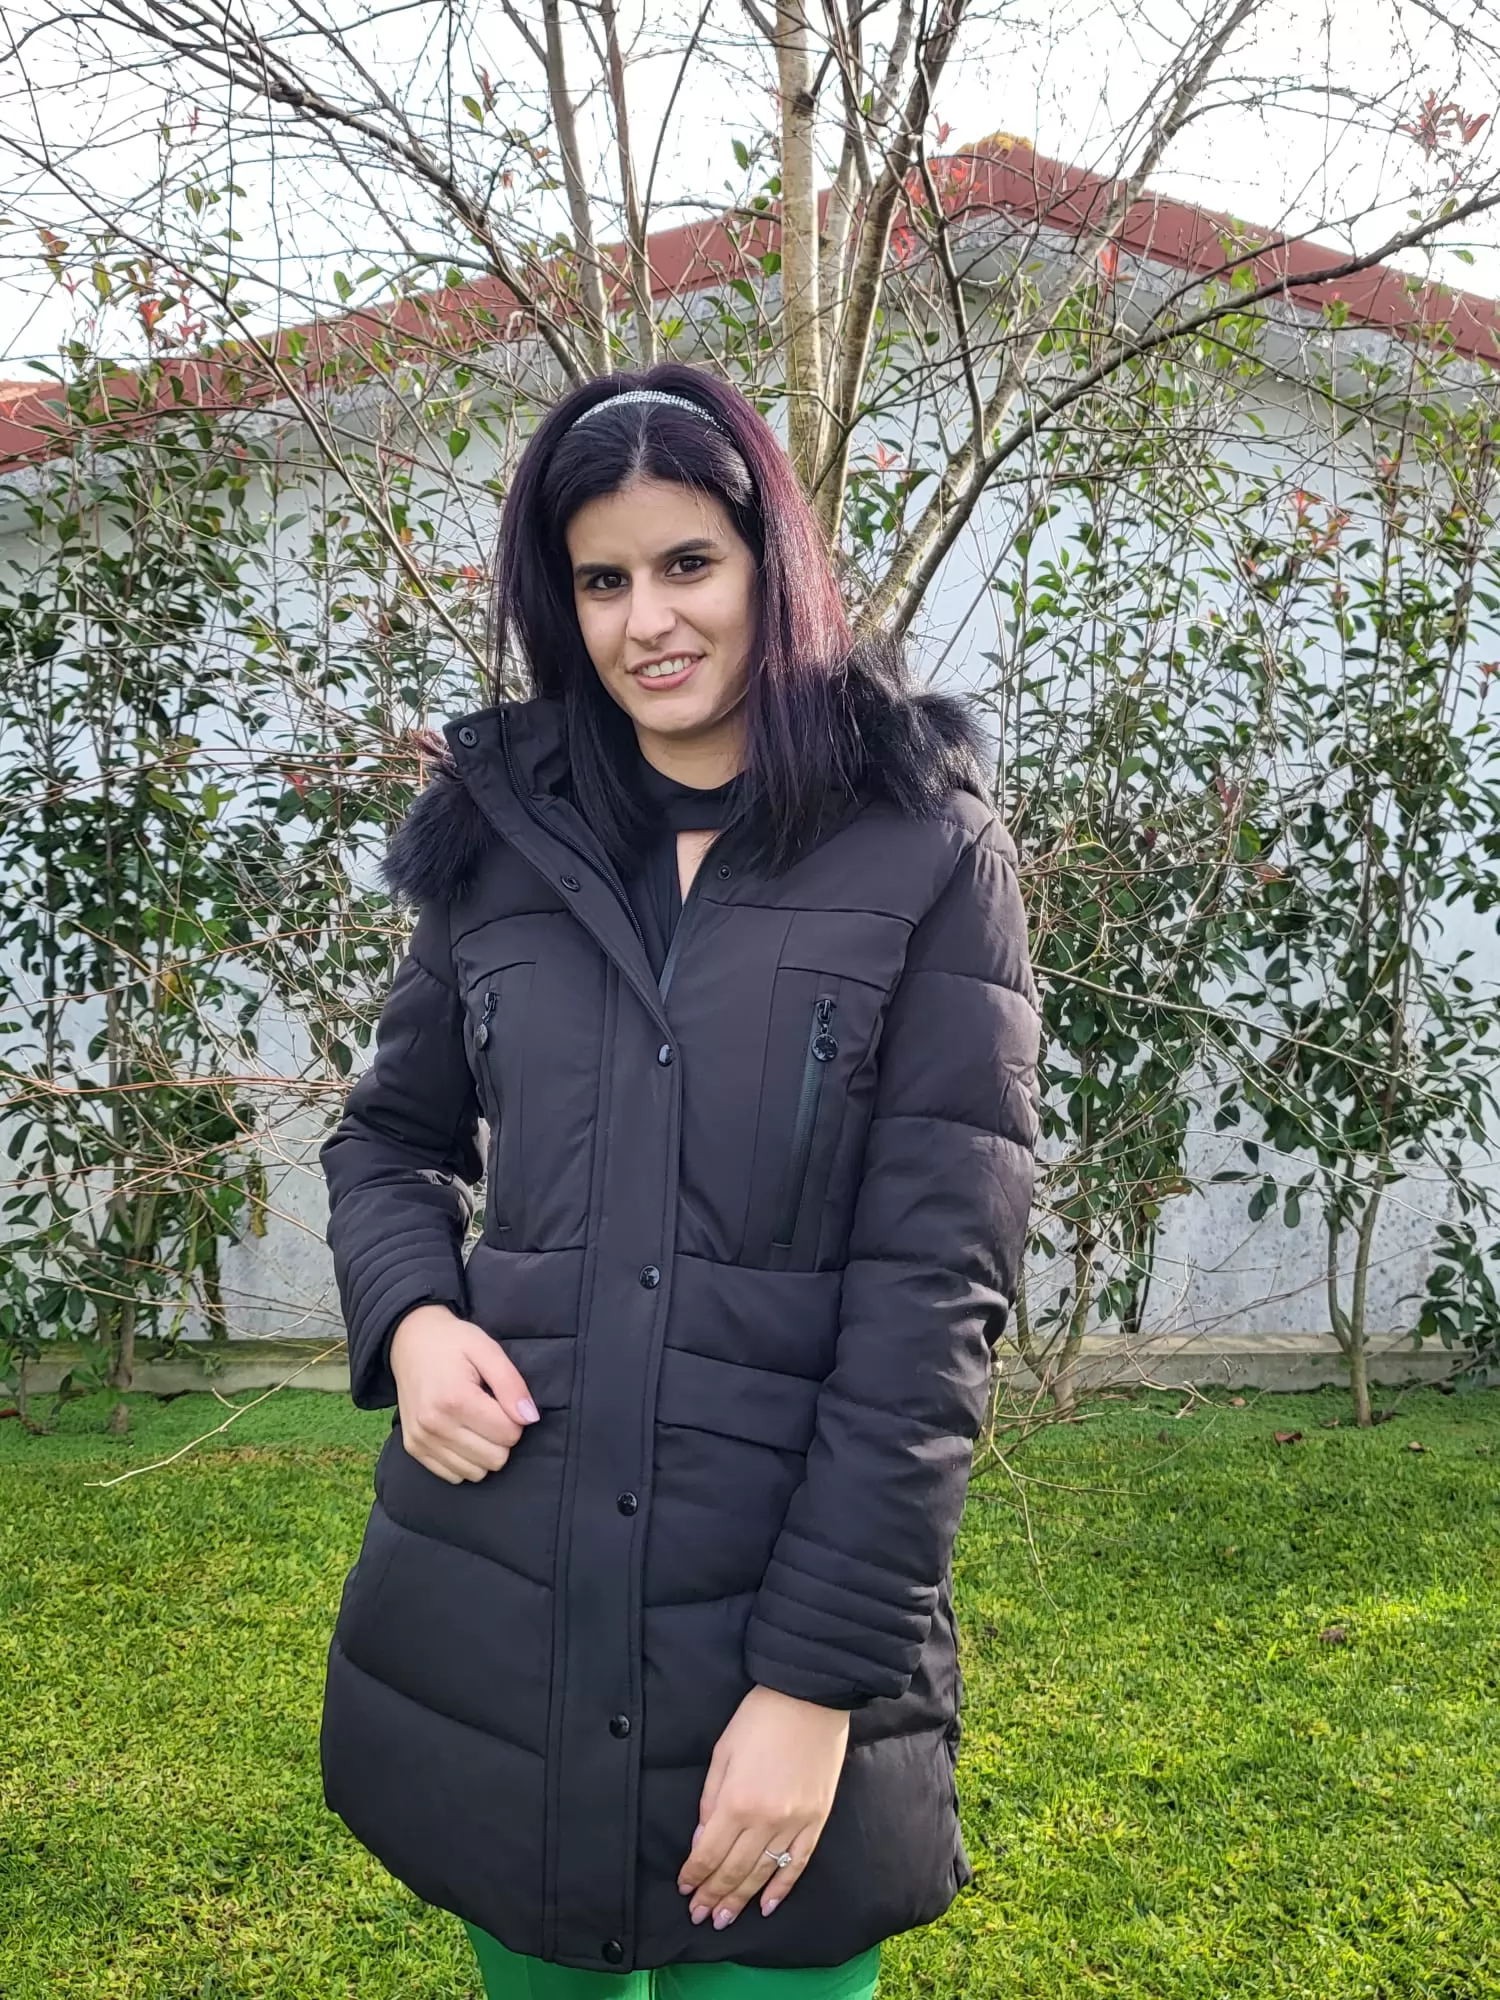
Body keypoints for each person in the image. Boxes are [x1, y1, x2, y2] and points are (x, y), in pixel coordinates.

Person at [317, 362, 1040, 2000]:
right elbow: (389, 1138)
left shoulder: (924, 847)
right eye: (601, 580)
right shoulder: (498, 836)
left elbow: (933, 1306)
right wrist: (412, 1321)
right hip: (502, 1629)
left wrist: (813, 1690)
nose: (647, 620)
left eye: (688, 563)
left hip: (780, 1618)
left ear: (770, 561)